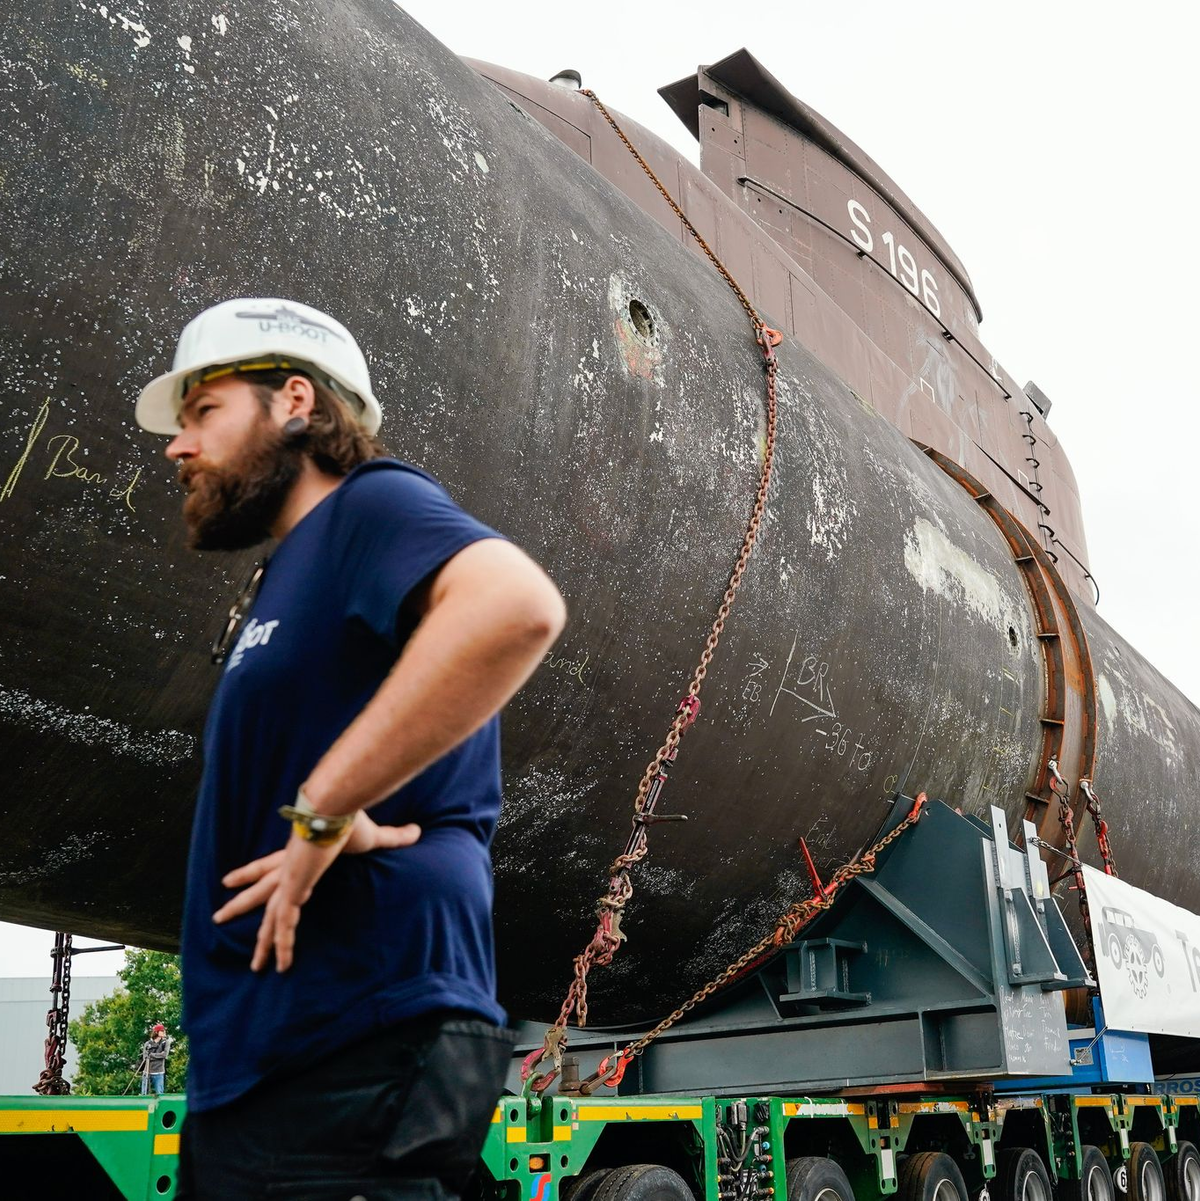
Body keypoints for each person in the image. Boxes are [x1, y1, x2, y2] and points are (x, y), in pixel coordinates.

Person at [135, 297, 566, 1199]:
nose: (177, 446)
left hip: (351, 1035)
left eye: (203, 412)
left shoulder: (372, 507)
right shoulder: (290, 568)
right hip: (274, 1056)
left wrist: (323, 805)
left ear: (294, 401)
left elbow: (514, 605)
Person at [139, 1023, 172, 1096]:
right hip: (147, 1071)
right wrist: (158, 1055)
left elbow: (165, 1055)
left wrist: (152, 1055)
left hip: (159, 1072)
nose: (164, 1032)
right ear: (157, 1032)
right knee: (144, 1094)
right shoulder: (147, 1044)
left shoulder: (166, 1043)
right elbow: (145, 1057)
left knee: (160, 1094)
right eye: (162, 1031)